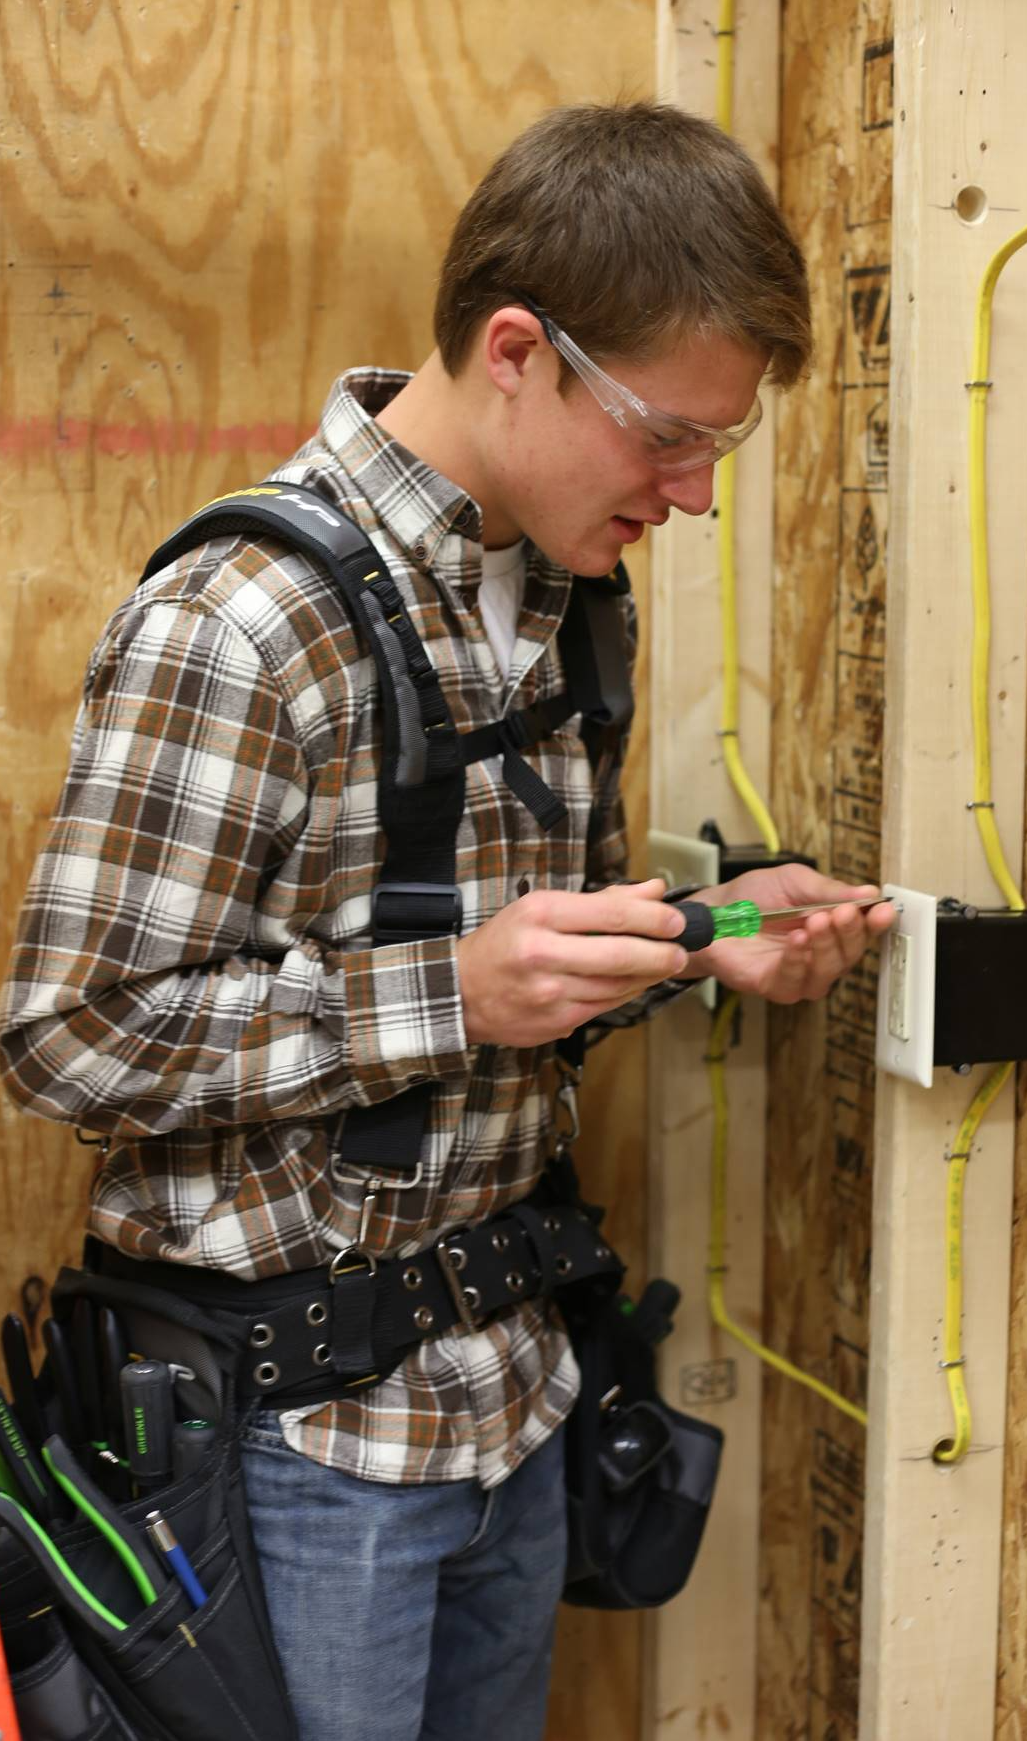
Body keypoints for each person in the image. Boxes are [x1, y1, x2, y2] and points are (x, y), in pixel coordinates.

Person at [0, 101, 895, 1740]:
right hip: (299, 1453)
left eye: (723, 446)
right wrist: (456, 993)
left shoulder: (563, 600)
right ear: (515, 352)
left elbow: (505, 973)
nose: (693, 496)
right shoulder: (243, 623)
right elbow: (70, 1042)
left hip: (509, 1406)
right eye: (669, 436)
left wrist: (701, 936)